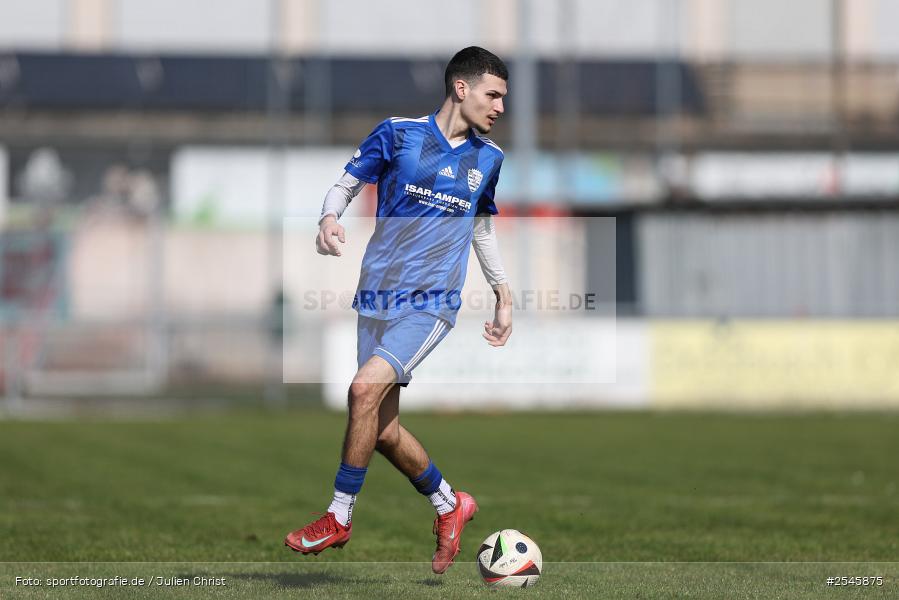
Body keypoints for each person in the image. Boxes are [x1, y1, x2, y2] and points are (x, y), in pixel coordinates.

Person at [285, 46, 513, 575]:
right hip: (378, 297)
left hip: (431, 304)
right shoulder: (398, 132)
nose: (500, 106)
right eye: (493, 94)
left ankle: (338, 516)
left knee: (362, 391)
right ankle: (450, 505)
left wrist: (502, 293)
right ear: (462, 87)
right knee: (381, 429)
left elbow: (480, 229)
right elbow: (347, 181)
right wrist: (327, 219)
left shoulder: (489, 159)